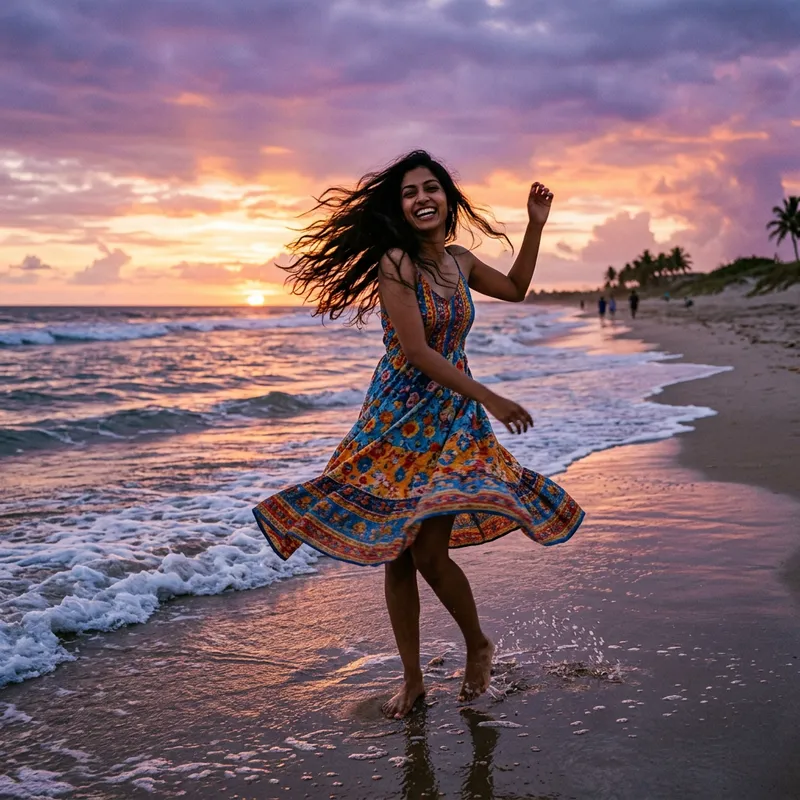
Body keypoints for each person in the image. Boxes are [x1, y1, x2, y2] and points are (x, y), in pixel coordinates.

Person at [252, 150, 585, 719]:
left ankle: (477, 644)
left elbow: (517, 288)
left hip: (451, 422)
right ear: (400, 208)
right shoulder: (396, 264)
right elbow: (415, 351)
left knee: (430, 552)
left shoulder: (458, 261)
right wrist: (491, 395)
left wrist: (534, 225)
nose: (421, 198)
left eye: (431, 188)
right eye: (409, 192)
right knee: (398, 555)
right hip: (396, 420)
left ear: (447, 200)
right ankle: (412, 679)